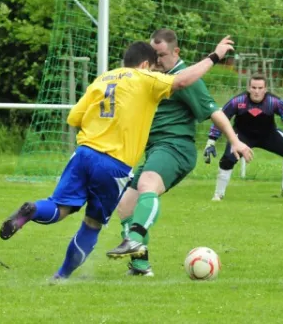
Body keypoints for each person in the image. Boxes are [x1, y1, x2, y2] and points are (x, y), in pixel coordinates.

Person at [0, 38, 233, 280]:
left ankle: (33, 210)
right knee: (92, 224)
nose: (155, 72)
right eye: (153, 68)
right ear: (144, 65)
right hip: (113, 164)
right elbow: (182, 80)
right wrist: (215, 56)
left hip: (83, 153)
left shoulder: (103, 78)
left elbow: (74, 118)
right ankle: (61, 276)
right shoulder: (144, 78)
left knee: (60, 207)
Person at [105, 29, 253, 276]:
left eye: (161, 55)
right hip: (155, 150)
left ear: (176, 52)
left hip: (175, 147)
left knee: (147, 184)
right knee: (125, 207)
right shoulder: (156, 78)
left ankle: (135, 239)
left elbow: (213, 110)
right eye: (154, 55)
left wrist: (235, 141)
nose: (157, 61)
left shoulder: (184, 78)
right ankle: (141, 266)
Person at [204, 73, 283, 203]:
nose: (257, 91)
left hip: (269, 135)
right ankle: (218, 195)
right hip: (242, 137)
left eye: (260, 88)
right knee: (228, 159)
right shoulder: (238, 101)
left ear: (265, 89)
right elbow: (221, 119)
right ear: (249, 88)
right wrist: (211, 141)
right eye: (254, 87)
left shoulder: (273, 102)